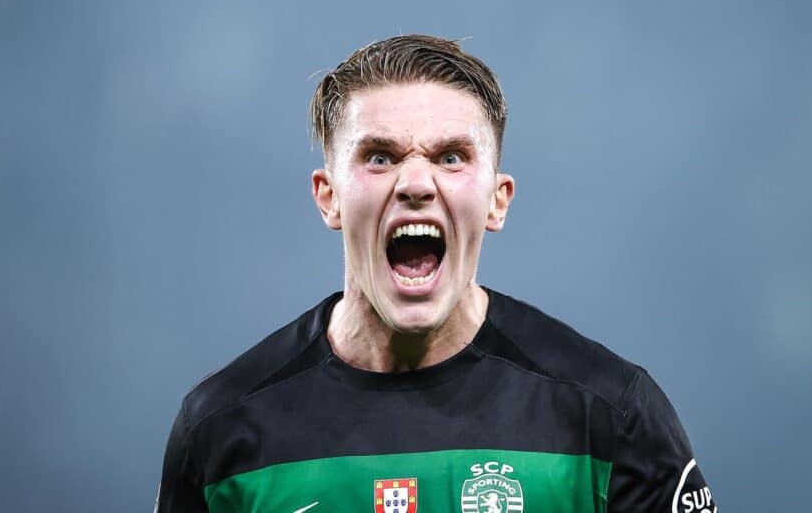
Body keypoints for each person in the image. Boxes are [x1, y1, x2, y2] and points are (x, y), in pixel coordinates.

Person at [156, 35, 716, 512]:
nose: (417, 183)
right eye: (379, 156)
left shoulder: (610, 416)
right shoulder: (219, 430)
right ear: (329, 198)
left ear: (498, 201)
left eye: (451, 157)